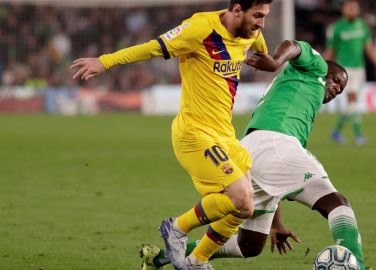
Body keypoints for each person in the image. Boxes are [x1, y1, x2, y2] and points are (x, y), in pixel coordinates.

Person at [71, 1, 273, 269]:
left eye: (265, 17)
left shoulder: (252, 34)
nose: (262, 23)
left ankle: (198, 260)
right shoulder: (199, 29)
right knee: (240, 197)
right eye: (257, 16)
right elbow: (152, 48)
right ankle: (176, 229)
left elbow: (262, 54)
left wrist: (270, 62)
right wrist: (105, 61)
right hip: (195, 133)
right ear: (237, 10)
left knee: (244, 208)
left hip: (225, 134)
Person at [141, 40, 368, 270]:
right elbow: (293, 45)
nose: (337, 89)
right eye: (337, 81)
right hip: (275, 142)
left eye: (341, 90)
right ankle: (356, 263)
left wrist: (276, 224)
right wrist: (276, 60)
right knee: (338, 204)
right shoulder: (315, 66)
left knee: (249, 244)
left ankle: (162, 257)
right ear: (325, 72)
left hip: (254, 150)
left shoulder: (295, 95)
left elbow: (276, 177)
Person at [325, 0, 376, 145]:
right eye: (349, 7)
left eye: (354, 8)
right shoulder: (337, 28)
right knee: (352, 99)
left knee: (352, 102)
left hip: (360, 69)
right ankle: (358, 135)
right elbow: (330, 51)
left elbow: (369, 47)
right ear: (344, 9)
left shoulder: (362, 25)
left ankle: (336, 132)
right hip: (344, 70)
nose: (352, 10)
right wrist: (325, 68)